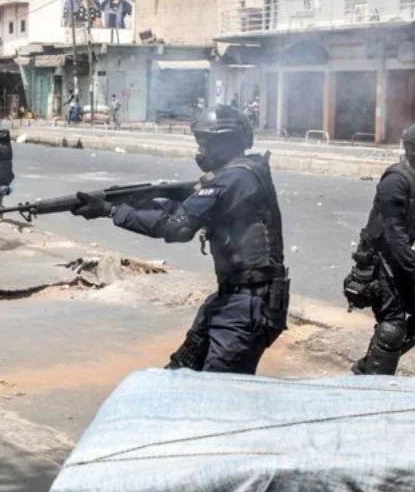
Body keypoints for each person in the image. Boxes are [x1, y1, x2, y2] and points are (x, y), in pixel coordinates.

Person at [71, 114, 289, 374]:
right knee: (181, 372)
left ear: (225, 143)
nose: (200, 150)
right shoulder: (246, 171)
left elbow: (178, 227)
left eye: (205, 142)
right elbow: (188, 209)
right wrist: (137, 201)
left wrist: (112, 210)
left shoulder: (233, 179)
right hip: (233, 298)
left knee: (219, 393)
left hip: (247, 305)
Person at [344, 121, 415, 375]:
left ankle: (367, 367)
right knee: (392, 326)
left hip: (401, 260)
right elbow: (394, 237)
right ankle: (373, 383)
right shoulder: (395, 180)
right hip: (380, 262)